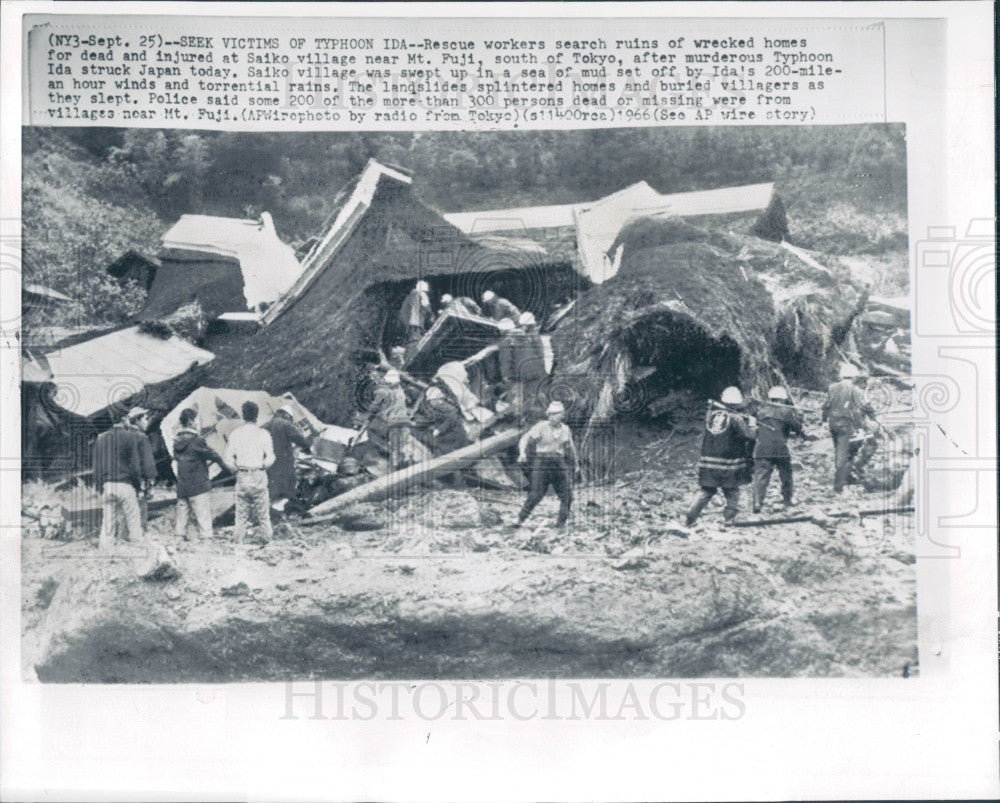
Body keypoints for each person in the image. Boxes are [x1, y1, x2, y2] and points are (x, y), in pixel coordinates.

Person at [684, 387, 757, 527]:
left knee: (706, 490)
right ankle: (729, 520)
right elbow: (749, 436)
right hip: (728, 464)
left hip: (709, 462)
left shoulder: (711, 416)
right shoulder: (736, 418)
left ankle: (690, 517)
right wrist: (752, 425)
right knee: (732, 491)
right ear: (737, 403)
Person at [93, 406, 157, 553]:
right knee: (134, 521)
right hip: (125, 485)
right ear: (125, 419)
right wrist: (137, 485)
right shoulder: (130, 437)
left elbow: (97, 469)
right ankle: (138, 551)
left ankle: (106, 554)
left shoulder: (101, 438)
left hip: (108, 486)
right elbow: (135, 465)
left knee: (107, 524)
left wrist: (99, 488)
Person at [515, 401, 580, 528]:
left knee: (567, 496)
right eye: (550, 414)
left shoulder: (566, 429)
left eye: (555, 414)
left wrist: (576, 465)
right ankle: (519, 520)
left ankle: (560, 525)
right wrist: (522, 453)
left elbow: (571, 448)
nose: (552, 417)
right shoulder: (541, 427)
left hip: (558, 463)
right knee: (536, 495)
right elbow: (525, 439)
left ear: (562, 415)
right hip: (542, 462)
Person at [821, 362, 878, 494]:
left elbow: (825, 405)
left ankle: (846, 476)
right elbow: (861, 408)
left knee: (839, 450)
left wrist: (824, 420)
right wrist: (867, 422)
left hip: (833, 424)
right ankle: (840, 485)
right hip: (847, 425)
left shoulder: (832, 387)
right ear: (854, 377)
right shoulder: (856, 390)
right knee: (849, 452)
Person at [224, 401, 275, 544]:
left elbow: (228, 458)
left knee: (241, 514)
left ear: (243, 415)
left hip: (242, 473)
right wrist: (263, 466)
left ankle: (238, 542)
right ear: (257, 415)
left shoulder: (236, 434)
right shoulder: (264, 434)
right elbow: (271, 456)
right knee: (263, 514)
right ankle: (267, 541)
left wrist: (235, 470)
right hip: (258, 473)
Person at [173, 407, 226, 541]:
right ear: (191, 421)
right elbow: (213, 455)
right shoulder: (197, 441)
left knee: (181, 519)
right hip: (198, 485)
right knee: (203, 519)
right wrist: (226, 467)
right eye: (196, 420)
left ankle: (179, 541)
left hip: (182, 485)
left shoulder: (176, 442)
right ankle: (206, 544)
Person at [751, 386, 804, 512]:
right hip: (780, 449)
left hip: (762, 448)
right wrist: (800, 415)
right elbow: (797, 429)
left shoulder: (761, 411)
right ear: (782, 399)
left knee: (760, 476)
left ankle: (757, 504)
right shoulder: (786, 411)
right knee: (786, 475)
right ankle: (787, 500)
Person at [263, 405, 313, 506]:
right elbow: (299, 439)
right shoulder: (285, 424)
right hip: (283, 458)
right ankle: (291, 505)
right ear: (286, 415)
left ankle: (273, 507)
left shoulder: (264, 426)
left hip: (267, 461)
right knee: (288, 481)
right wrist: (309, 448)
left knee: (272, 484)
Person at [368, 369, 413, 471]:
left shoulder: (384, 392)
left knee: (395, 446)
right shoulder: (400, 391)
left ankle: (397, 466)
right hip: (404, 420)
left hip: (393, 421)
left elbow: (374, 407)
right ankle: (407, 459)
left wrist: (370, 415)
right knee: (406, 442)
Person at [398, 280, 432, 355]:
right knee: (415, 342)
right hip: (417, 324)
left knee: (410, 341)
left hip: (407, 323)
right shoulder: (422, 295)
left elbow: (403, 312)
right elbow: (428, 309)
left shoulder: (409, 296)